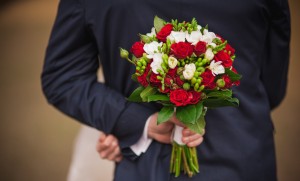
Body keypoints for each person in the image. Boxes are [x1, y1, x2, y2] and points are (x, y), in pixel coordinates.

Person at [42, 0, 290, 180]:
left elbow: (63, 77)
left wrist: (134, 122)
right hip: (243, 151)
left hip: (146, 166)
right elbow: (272, 88)